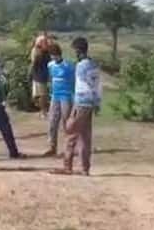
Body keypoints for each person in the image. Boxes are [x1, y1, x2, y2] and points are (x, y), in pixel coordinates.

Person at [54, 37, 102, 176]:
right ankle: (85, 168)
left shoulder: (80, 66)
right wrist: (97, 103)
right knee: (86, 136)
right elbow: (98, 86)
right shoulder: (94, 65)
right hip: (90, 104)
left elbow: (80, 87)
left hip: (81, 102)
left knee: (71, 132)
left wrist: (75, 105)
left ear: (78, 51)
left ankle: (67, 166)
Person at [44, 43, 75, 157]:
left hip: (66, 95)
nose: (53, 57)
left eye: (55, 55)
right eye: (52, 55)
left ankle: (69, 147)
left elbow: (74, 80)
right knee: (52, 121)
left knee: (66, 122)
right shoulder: (50, 65)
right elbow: (50, 79)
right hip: (55, 96)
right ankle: (52, 146)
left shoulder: (68, 66)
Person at [30, 33, 51, 119]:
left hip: (42, 76)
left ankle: (43, 111)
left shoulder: (44, 52)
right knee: (39, 96)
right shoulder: (38, 51)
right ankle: (42, 111)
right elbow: (34, 62)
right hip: (38, 76)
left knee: (42, 95)